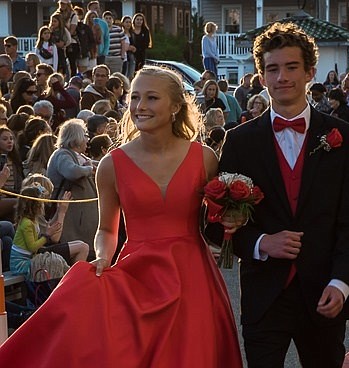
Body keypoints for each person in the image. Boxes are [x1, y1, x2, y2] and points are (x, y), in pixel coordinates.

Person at [0, 65, 243, 367]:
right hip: (139, 276)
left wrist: (232, 218)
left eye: (152, 98)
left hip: (194, 275)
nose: (140, 106)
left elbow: (213, 220)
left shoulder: (204, 157)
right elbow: (107, 229)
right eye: (135, 97)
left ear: (176, 106)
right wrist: (102, 256)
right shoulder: (111, 164)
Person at [216, 22, 349, 368]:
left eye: (291, 67)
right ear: (261, 75)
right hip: (263, 295)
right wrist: (260, 243)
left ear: (310, 73)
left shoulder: (343, 138)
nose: (282, 77)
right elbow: (215, 222)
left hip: (325, 292)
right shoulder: (240, 141)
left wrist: (341, 281)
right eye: (272, 69)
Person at [47, 119, 98, 260]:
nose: (87, 140)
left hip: (81, 218)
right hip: (71, 218)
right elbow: (72, 172)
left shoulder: (78, 155)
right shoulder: (62, 155)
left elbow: (96, 165)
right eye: (84, 136)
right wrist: (88, 169)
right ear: (76, 137)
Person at [9, 185, 63, 279]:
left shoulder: (33, 220)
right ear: (35, 205)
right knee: (51, 264)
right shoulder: (27, 223)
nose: (43, 205)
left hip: (28, 259)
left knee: (55, 261)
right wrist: (47, 235)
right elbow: (32, 247)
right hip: (20, 264)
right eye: (41, 202)